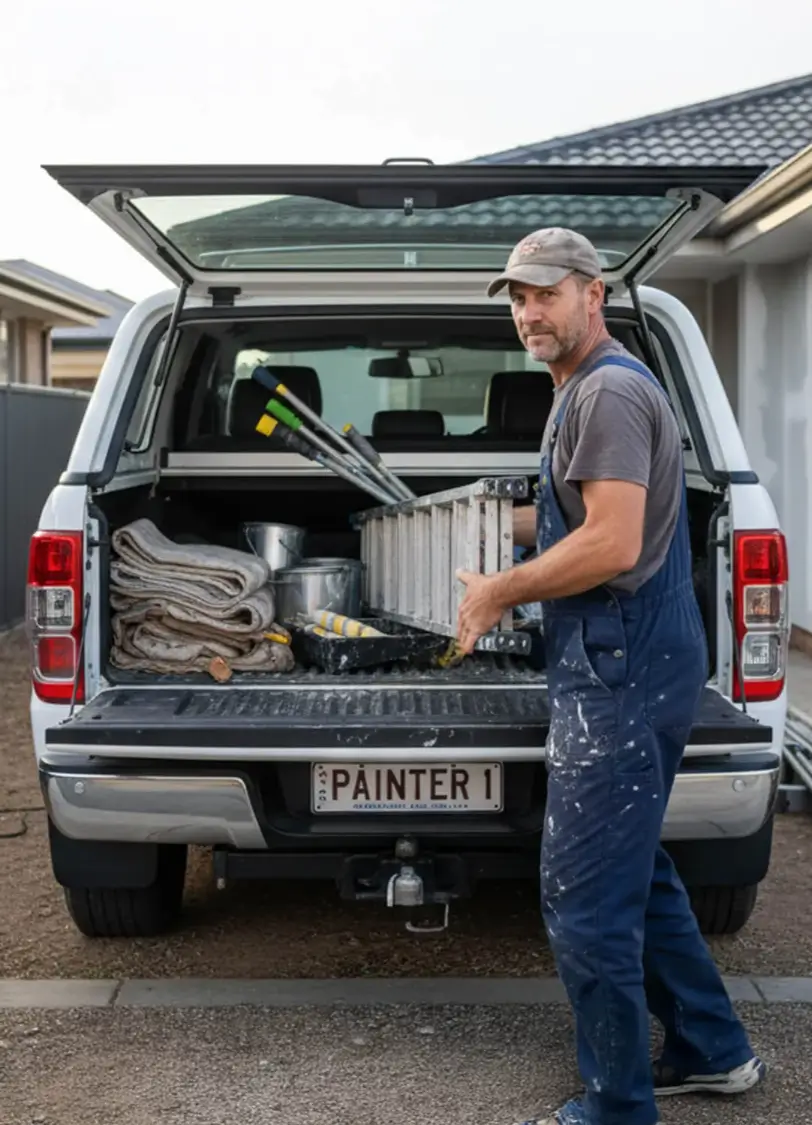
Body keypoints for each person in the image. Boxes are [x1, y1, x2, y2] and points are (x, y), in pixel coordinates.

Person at [455, 227, 766, 1125]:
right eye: (517, 296)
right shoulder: (587, 389)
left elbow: (613, 541)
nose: (528, 311)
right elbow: (581, 518)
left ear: (594, 293)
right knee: (639, 872)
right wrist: (481, 531)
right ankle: (713, 1047)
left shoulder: (611, 394)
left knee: (585, 895)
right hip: (630, 657)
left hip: (623, 667)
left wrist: (498, 594)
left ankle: (619, 1105)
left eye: (545, 293)